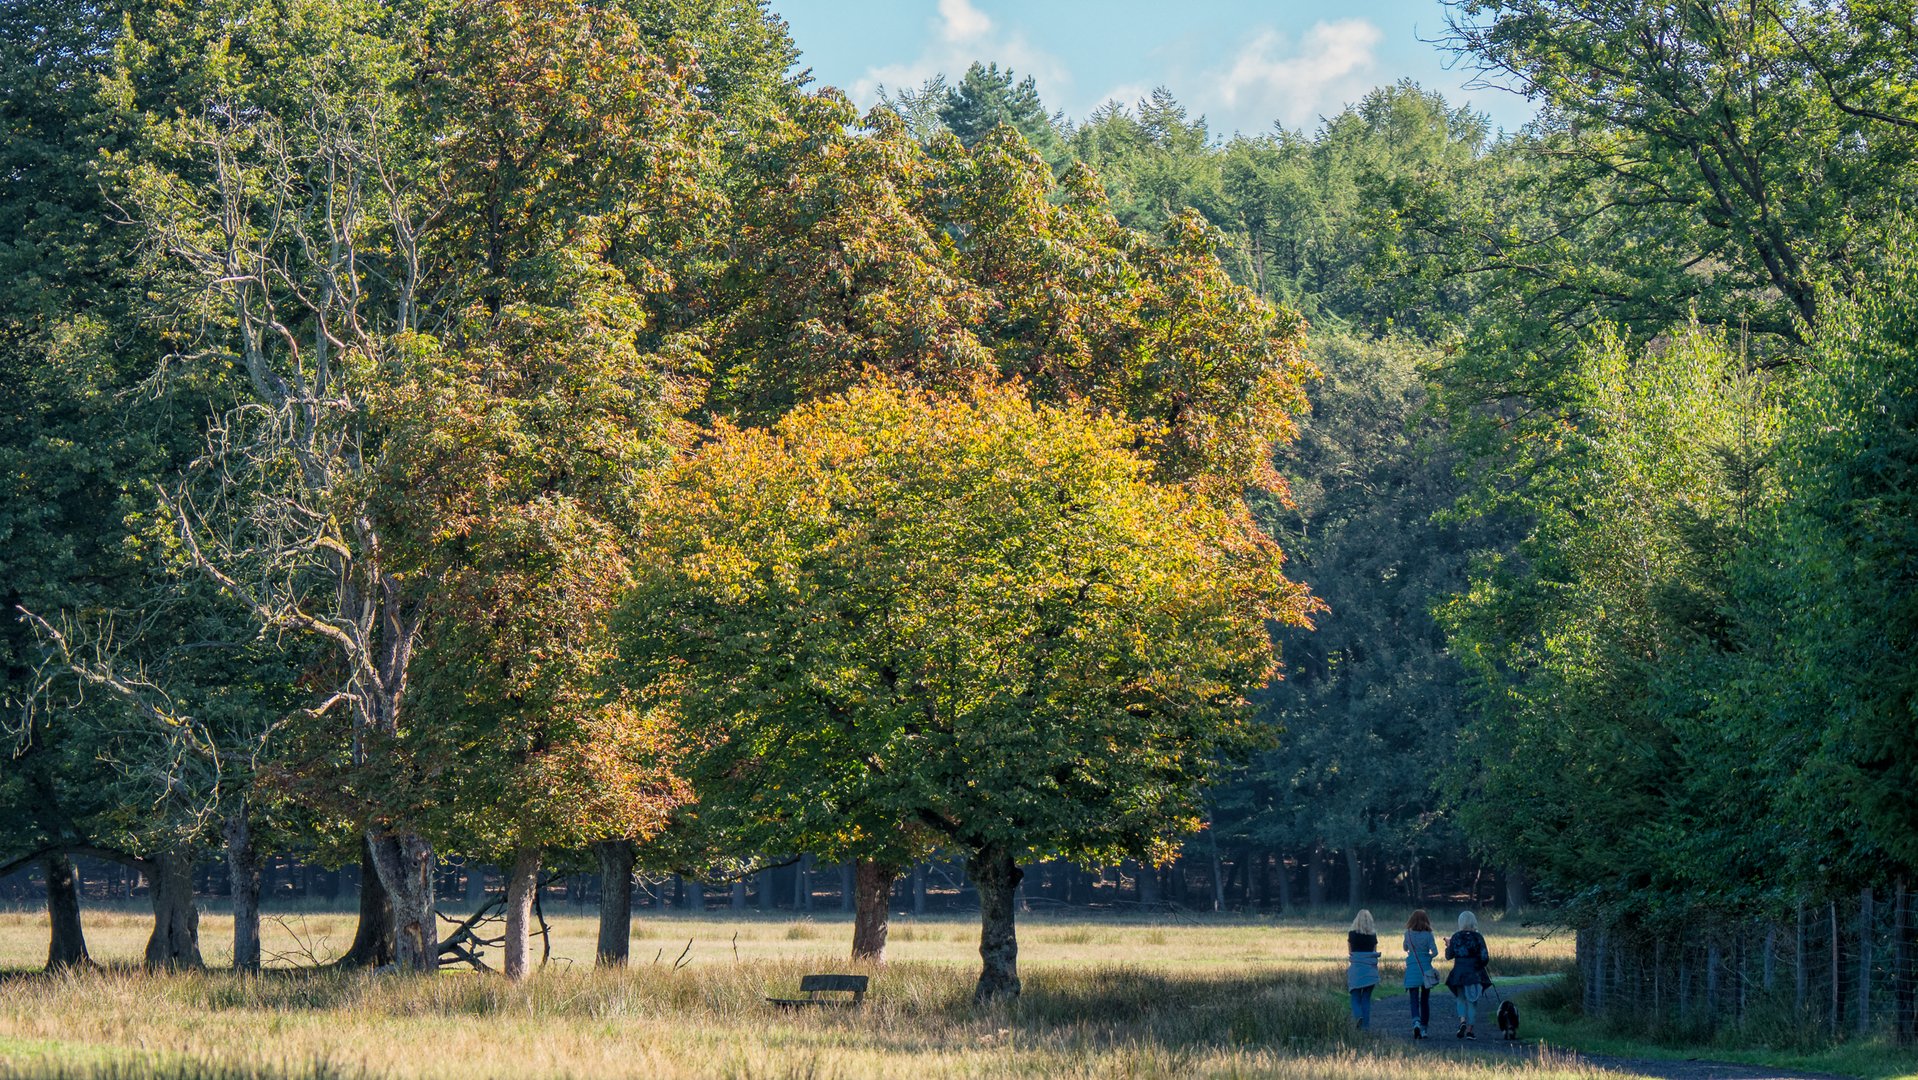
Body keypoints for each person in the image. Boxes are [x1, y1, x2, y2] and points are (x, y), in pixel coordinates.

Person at [1445, 910, 1493, 1038]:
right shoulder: (1478, 937)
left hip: (1458, 973)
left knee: (1460, 998)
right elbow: (1485, 957)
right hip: (1473, 973)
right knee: (1472, 1001)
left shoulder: (1455, 937)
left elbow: (1449, 956)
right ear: (1473, 922)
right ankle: (1470, 1030)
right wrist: (1479, 966)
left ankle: (1462, 1021)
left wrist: (1448, 945)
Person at [1402, 909, 1438, 1038]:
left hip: (1412, 969)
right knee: (1425, 1000)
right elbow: (1435, 952)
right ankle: (1424, 1029)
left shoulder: (1408, 934)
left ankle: (1416, 1022)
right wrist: (1427, 957)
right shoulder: (1429, 935)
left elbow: (1405, 948)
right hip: (1426, 971)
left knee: (1413, 999)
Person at [1346, 909, 1381, 1030]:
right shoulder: (1373, 936)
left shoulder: (1352, 934)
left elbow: (1350, 952)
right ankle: (1366, 1028)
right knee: (1366, 998)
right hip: (1370, 971)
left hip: (1356, 970)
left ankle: (1358, 1016)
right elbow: (1374, 951)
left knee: (1355, 997)